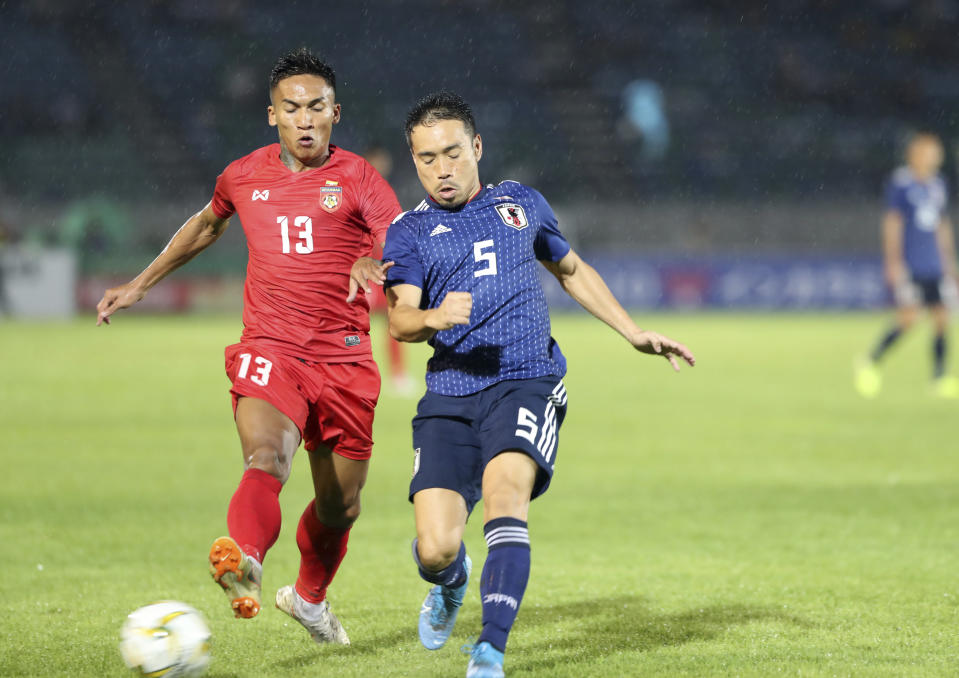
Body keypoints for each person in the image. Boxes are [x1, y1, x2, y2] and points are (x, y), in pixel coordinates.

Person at [382, 91, 695, 678]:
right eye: (426, 159)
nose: (441, 169)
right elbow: (399, 318)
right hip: (450, 395)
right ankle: (451, 583)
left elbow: (570, 268)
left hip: (527, 380)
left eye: (451, 153)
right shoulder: (409, 233)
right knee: (435, 549)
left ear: (477, 147)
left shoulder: (520, 204)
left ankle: (489, 652)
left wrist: (631, 331)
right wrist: (431, 318)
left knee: (506, 499)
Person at [95, 48, 402, 644]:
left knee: (341, 508)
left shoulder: (360, 178)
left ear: (336, 113)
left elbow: (403, 240)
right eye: (292, 109)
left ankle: (309, 599)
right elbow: (208, 224)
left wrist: (375, 259)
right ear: (272, 115)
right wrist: (139, 284)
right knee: (267, 458)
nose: (305, 120)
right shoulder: (242, 175)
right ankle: (248, 560)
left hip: (343, 361)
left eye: (317, 108)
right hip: (271, 349)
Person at [856, 132, 959, 398]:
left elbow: (941, 225)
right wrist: (893, 261)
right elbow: (893, 223)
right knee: (909, 317)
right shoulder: (901, 183)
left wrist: (949, 260)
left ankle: (939, 377)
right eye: (929, 151)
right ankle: (871, 361)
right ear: (915, 153)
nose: (935, 156)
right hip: (912, 263)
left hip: (935, 264)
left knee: (941, 317)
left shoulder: (938, 184)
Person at [362, 144, 414, 394]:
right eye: (379, 162)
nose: (383, 167)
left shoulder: (385, 192)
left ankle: (397, 374)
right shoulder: (358, 191)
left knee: (394, 319)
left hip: (384, 269)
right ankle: (347, 371)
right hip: (363, 269)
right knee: (351, 322)